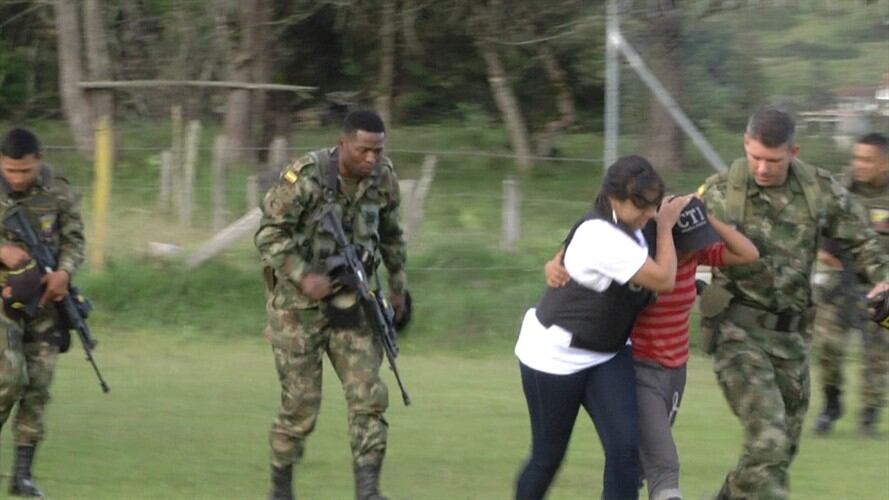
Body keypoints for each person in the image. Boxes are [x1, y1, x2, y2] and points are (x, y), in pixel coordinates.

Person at [696, 107, 889, 500]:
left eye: (773, 160)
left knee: (777, 454)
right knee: (768, 443)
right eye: (755, 157)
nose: (762, 168)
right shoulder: (718, 192)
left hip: (793, 340)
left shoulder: (819, 191)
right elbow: (668, 242)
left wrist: (883, 280)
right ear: (745, 144)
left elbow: (863, 240)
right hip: (737, 334)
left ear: (793, 151)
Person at [544, 196, 759, 500]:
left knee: (636, 467)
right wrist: (555, 262)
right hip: (639, 370)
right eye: (685, 245)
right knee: (663, 464)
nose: (691, 252)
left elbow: (748, 253)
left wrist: (705, 219)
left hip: (675, 371)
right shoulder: (639, 260)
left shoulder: (695, 254)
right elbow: (589, 240)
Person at [514, 155, 691, 500]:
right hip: (554, 356)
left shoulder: (633, 222)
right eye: (640, 206)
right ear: (613, 199)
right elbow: (663, 280)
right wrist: (665, 226)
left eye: (654, 205)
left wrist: (555, 261)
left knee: (625, 450)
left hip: (608, 352)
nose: (649, 214)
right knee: (548, 456)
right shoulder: (602, 236)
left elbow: (567, 246)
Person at [255, 110, 408, 500]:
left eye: (378, 151)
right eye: (363, 150)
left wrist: (398, 286)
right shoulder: (305, 178)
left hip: (354, 303)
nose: (371, 159)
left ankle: (368, 491)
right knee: (300, 407)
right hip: (297, 310)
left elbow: (391, 234)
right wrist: (303, 275)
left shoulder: (383, 178)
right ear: (343, 144)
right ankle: (280, 489)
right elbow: (269, 234)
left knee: (368, 396)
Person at [0, 128, 85, 498]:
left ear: (39, 159)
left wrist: (64, 272)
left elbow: (74, 240)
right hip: (3, 299)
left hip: (46, 303)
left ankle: (22, 476)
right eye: (10, 170)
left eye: (25, 171)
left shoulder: (58, 190)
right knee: (8, 378)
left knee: (37, 386)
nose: (17, 178)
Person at [812, 132, 889, 437]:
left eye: (867, 160)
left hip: (883, 287)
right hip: (839, 282)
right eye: (857, 157)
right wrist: (825, 253)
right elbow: (818, 234)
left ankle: (869, 416)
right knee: (828, 346)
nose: (859, 164)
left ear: (884, 164)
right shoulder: (839, 192)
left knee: (879, 355)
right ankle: (831, 404)